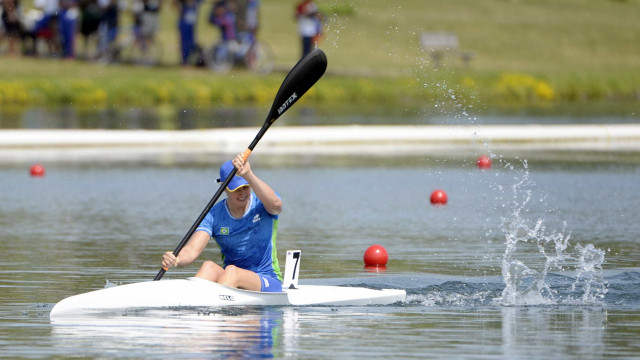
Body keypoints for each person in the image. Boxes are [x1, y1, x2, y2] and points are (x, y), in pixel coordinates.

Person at [161, 153, 283, 292]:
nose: (242, 193)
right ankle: (194, 304)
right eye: (236, 189)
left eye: (245, 187)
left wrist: (248, 174)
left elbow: (276, 206)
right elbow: (191, 251)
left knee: (232, 271)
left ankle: (215, 307)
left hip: (267, 279)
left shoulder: (262, 202)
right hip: (230, 279)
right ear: (224, 188)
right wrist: (175, 258)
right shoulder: (213, 215)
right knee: (208, 267)